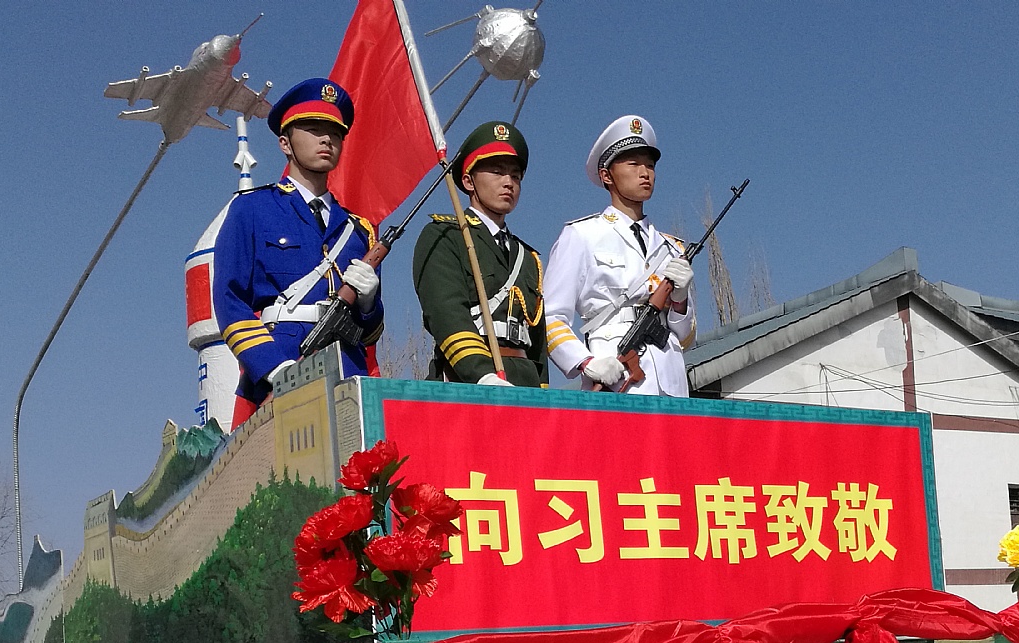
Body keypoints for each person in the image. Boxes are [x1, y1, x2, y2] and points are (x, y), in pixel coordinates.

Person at [213, 78, 384, 418]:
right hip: (280, 369)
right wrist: (274, 368)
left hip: (348, 374)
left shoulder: (359, 231)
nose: (326, 139)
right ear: (285, 144)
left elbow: (371, 333)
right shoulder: (251, 210)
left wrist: (368, 304)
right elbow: (230, 301)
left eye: (335, 133)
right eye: (313, 129)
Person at [543, 115, 697, 395]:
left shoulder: (672, 248)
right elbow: (551, 317)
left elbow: (686, 337)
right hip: (615, 375)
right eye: (633, 164)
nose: (645, 173)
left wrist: (680, 300)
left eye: (650, 165)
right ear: (606, 175)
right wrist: (585, 362)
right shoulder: (582, 235)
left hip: (671, 383)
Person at [413, 122, 545, 387]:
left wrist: (542, 392)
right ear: (468, 181)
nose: (508, 183)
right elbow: (446, 312)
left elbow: (537, 341)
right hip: (466, 379)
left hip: (524, 383)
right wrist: (481, 374)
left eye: (516, 176)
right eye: (497, 172)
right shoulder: (446, 235)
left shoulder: (527, 257)